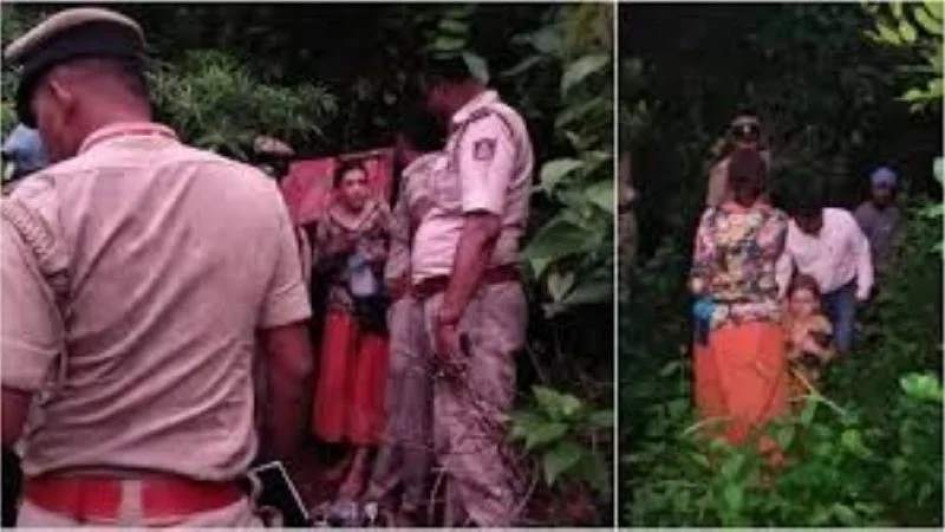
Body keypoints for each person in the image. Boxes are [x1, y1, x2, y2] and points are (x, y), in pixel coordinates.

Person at [1, 8, 314, 527]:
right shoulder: (255, 194)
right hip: (217, 514)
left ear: (60, 95)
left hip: (69, 516)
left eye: (38, 116)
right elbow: (294, 368)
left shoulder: (35, 207)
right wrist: (271, 467)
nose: (44, 138)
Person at [414, 56, 533, 526]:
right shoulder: (467, 131)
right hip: (463, 298)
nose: (430, 104)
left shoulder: (488, 127)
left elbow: (483, 224)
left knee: (476, 442)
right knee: (456, 440)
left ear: (444, 87)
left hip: (473, 302)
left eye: (431, 92)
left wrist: (449, 315)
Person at [362, 108, 444, 526]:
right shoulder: (448, 170)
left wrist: (401, 281)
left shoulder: (420, 175)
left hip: (416, 301)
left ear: (402, 145)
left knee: (409, 407)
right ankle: (402, 491)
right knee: (421, 406)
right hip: (429, 300)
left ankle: (408, 497)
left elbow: (424, 242)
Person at [690, 148, 789, 450]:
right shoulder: (777, 220)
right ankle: (769, 476)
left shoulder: (710, 220)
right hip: (762, 321)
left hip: (716, 320)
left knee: (719, 402)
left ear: (729, 181)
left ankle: (725, 476)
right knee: (763, 401)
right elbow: (766, 258)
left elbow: (698, 279)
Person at [308, 160, 392, 515]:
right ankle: (347, 452)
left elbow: (400, 251)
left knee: (368, 384)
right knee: (339, 384)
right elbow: (318, 265)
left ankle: (362, 460)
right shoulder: (328, 219)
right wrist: (340, 251)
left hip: (373, 308)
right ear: (339, 189)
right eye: (350, 183)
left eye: (362, 182)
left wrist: (371, 256)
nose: (357, 189)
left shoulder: (381, 213)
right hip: (341, 306)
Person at [777, 197, 873, 355]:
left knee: (844, 338)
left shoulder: (843, 220)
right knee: (811, 339)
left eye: (811, 223)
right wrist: (780, 296)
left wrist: (864, 289)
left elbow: (861, 250)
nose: (806, 228)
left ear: (820, 215)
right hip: (812, 294)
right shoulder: (789, 231)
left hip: (844, 287)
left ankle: (845, 366)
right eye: (801, 224)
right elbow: (784, 265)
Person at [782, 274, 835, 403]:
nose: (800, 307)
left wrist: (816, 350)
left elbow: (830, 358)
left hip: (808, 381)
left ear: (816, 303)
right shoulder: (784, 322)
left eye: (806, 301)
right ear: (788, 302)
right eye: (796, 301)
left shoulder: (820, 325)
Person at [705, 112, 771, 207]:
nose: (747, 143)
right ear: (733, 140)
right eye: (741, 138)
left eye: (751, 138)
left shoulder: (765, 163)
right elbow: (714, 201)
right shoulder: (722, 167)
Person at [854, 166, 901, 278]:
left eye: (887, 189)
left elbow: (898, 243)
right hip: (867, 274)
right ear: (872, 189)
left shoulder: (895, 214)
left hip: (890, 273)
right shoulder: (862, 214)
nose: (883, 193)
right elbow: (857, 249)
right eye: (880, 188)